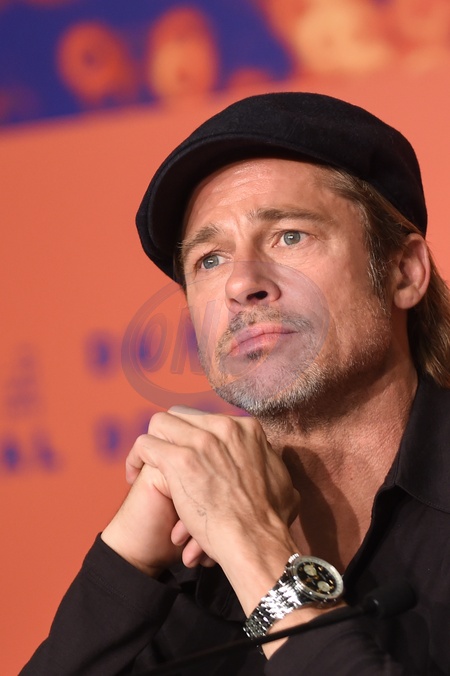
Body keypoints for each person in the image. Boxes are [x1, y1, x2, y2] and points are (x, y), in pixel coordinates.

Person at [21, 93, 450, 675]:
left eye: (289, 236)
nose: (241, 283)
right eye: (210, 260)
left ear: (404, 272)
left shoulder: (232, 535)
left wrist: (257, 552)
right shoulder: (192, 554)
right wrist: (126, 561)